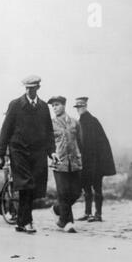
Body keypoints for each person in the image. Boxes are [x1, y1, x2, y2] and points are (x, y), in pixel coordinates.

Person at [0, 75, 57, 233]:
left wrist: (52, 152)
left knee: (33, 186)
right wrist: (2, 153)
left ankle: (20, 222)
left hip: (37, 152)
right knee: (27, 184)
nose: (29, 91)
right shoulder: (16, 105)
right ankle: (28, 221)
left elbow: (49, 132)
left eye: (32, 88)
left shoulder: (44, 107)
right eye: (27, 88)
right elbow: (6, 130)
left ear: (38, 88)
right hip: (19, 150)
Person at [74, 97, 116, 222]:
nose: (79, 109)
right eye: (77, 107)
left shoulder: (93, 121)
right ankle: (88, 213)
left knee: (97, 188)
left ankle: (98, 214)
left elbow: (100, 143)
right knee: (86, 188)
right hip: (85, 162)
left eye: (81, 106)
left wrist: (97, 162)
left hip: (96, 163)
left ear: (86, 106)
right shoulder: (79, 122)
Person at [48, 96, 82, 233]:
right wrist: (51, 154)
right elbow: (48, 143)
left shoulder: (75, 123)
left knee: (76, 192)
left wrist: (81, 157)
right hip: (59, 163)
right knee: (63, 193)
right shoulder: (50, 124)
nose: (55, 108)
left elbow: (80, 142)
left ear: (64, 105)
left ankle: (57, 209)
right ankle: (67, 222)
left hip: (74, 162)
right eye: (53, 106)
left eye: (57, 105)